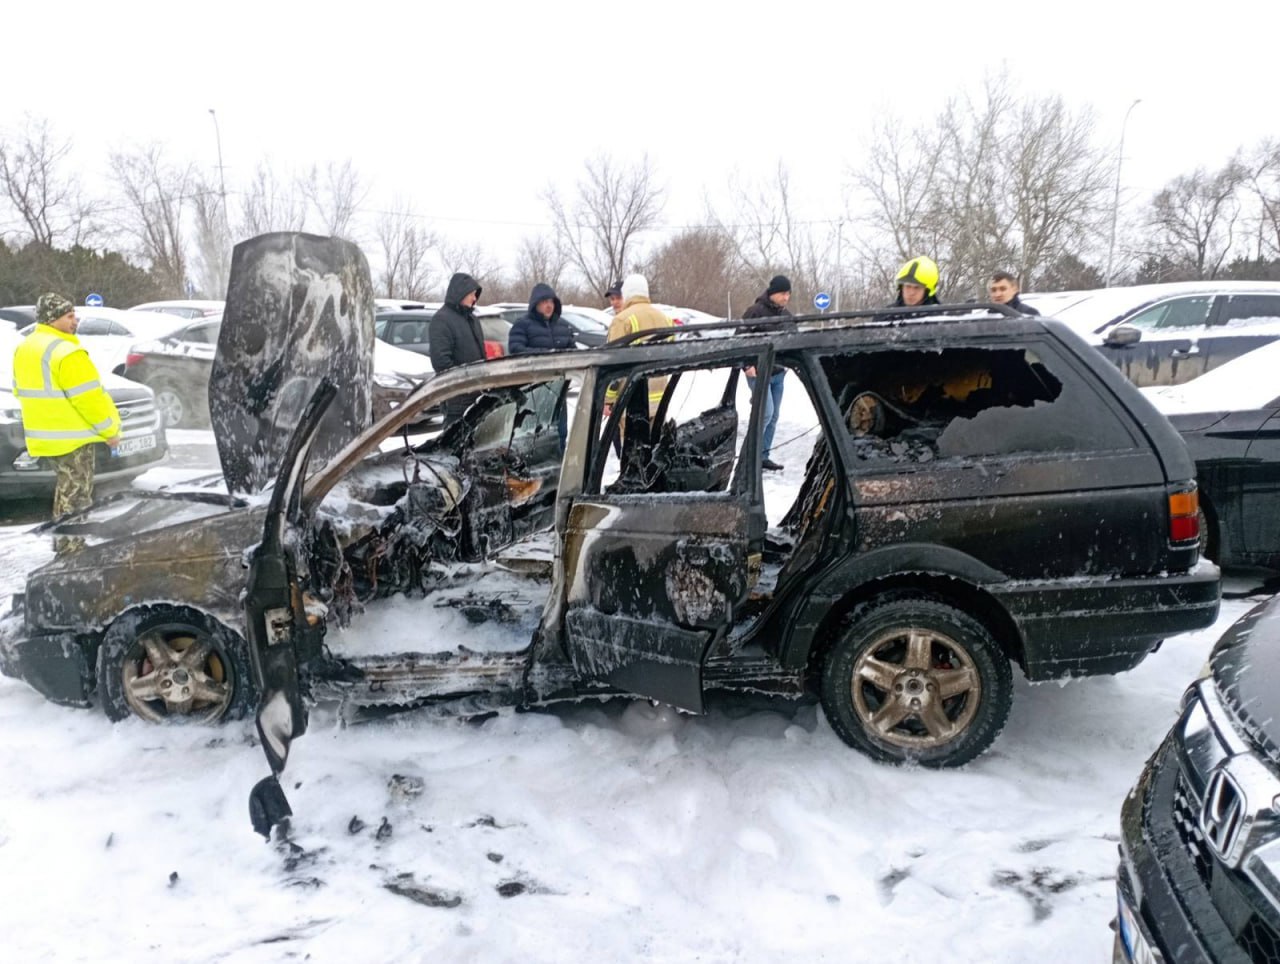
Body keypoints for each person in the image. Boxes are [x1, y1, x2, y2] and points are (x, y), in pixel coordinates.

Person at [12, 293, 121, 554]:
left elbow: (19, 390)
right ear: (53, 320)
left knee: (65, 493)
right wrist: (110, 430)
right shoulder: (67, 352)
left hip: (45, 437)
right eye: (69, 316)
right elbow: (90, 399)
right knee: (77, 498)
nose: (76, 321)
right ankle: (72, 551)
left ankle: (62, 543)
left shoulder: (25, 348)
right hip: (74, 438)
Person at [603, 273, 674, 439]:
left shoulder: (622, 320)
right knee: (654, 451)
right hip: (660, 400)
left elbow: (616, 365)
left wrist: (608, 399)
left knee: (633, 455)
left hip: (632, 401)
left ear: (626, 293)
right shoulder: (665, 319)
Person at [508, 282, 576, 449]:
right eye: (544, 301)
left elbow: (573, 352)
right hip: (533, 392)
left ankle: (559, 470)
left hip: (558, 390)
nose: (549, 305)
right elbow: (516, 350)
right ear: (535, 304)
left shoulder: (562, 326)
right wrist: (547, 355)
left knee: (560, 433)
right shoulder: (522, 325)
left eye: (551, 301)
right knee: (534, 438)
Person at [742, 274, 794, 471]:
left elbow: (794, 341)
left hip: (779, 373)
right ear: (772, 293)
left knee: (773, 416)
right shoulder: (754, 312)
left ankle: (763, 456)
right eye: (782, 293)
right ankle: (749, 456)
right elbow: (741, 340)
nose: (786, 297)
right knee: (765, 414)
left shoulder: (787, 317)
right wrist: (747, 365)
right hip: (759, 372)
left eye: (788, 294)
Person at [428, 272, 486, 427]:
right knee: (455, 446)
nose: (475, 299)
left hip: (478, 396)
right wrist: (465, 382)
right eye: (472, 294)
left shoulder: (472, 319)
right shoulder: (441, 320)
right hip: (456, 400)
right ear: (460, 292)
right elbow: (441, 362)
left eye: (475, 295)